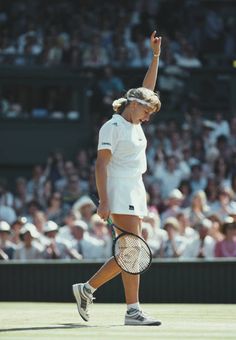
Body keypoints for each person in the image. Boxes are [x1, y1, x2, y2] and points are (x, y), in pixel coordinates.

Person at [72, 31, 162, 326]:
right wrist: (104, 201)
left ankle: (87, 289)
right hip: (118, 189)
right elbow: (100, 165)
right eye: (147, 111)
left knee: (129, 250)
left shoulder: (135, 117)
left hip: (135, 187)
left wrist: (155, 57)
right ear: (134, 106)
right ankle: (132, 311)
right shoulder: (112, 127)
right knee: (132, 249)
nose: (148, 117)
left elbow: (147, 90)